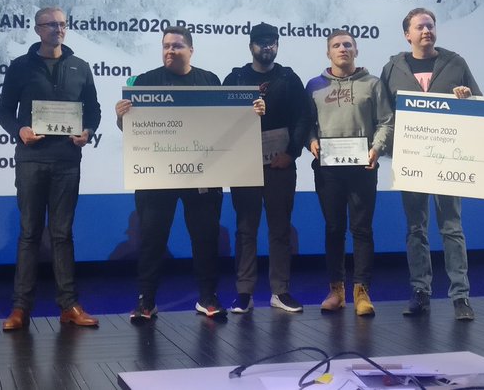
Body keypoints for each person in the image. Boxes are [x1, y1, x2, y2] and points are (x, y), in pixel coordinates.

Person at [114, 26, 264, 321]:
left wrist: (253, 112)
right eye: (166, 46)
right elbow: (128, 130)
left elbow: (226, 124)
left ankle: (208, 298)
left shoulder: (209, 81)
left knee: (205, 238)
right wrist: (121, 117)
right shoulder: (145, 82)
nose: (170, 50)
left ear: (191, 50)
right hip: (157, 177)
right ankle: (147, 302)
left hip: (202, 175)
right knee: (152, 239)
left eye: (177, 46)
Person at [0, 7, 102, 331]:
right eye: (51, 24)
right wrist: (20, 130)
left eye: (62, 24)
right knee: (29, 234)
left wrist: (87, 132)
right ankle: (20, 308)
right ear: (37, 29)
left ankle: (69, 306)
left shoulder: (80, 67)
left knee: (62, 234)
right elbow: (3, 112)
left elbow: (93, 111)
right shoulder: (20, 66)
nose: (58, 29)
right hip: (31, 160)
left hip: (67, 162)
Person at [380, 7, 481, 321]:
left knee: (452, 228)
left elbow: (479, 105)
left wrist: (467, 99)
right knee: (415, 229)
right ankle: (420, 293)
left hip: (448, 158)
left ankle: (460, 297)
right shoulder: (392, 68)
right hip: (411, 159)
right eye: (420, 27)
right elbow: (384, 115)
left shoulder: (456, 63)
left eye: (430, 25)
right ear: (407, 34)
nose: (426, 31)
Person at [222, 23, 309, 314]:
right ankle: (244, 293)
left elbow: (302, 118)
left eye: (272, 42)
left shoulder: (288, 78)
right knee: (246, 230)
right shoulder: (235, 79)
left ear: (278, 46)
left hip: (280, 165)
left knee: (280, 229)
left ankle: (280, 291)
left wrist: (291, 153)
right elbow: (220, 117)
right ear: (251, 47)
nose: (267, 47)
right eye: (261, 42)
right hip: (244, 166)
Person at [305, 29, 392, 317]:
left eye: (347, 44)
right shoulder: (314, 86)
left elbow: (386, 122)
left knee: (362, 229)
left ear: (356, 51)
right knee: (333, 229)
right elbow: (306, 124)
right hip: (328, 170)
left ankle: (362, 291)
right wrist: (311, 141)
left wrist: (377, 148)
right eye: (336, 45)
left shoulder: (373, 84)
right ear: (328, 53)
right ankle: (336, 291)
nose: (342, 48)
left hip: (363, 168)